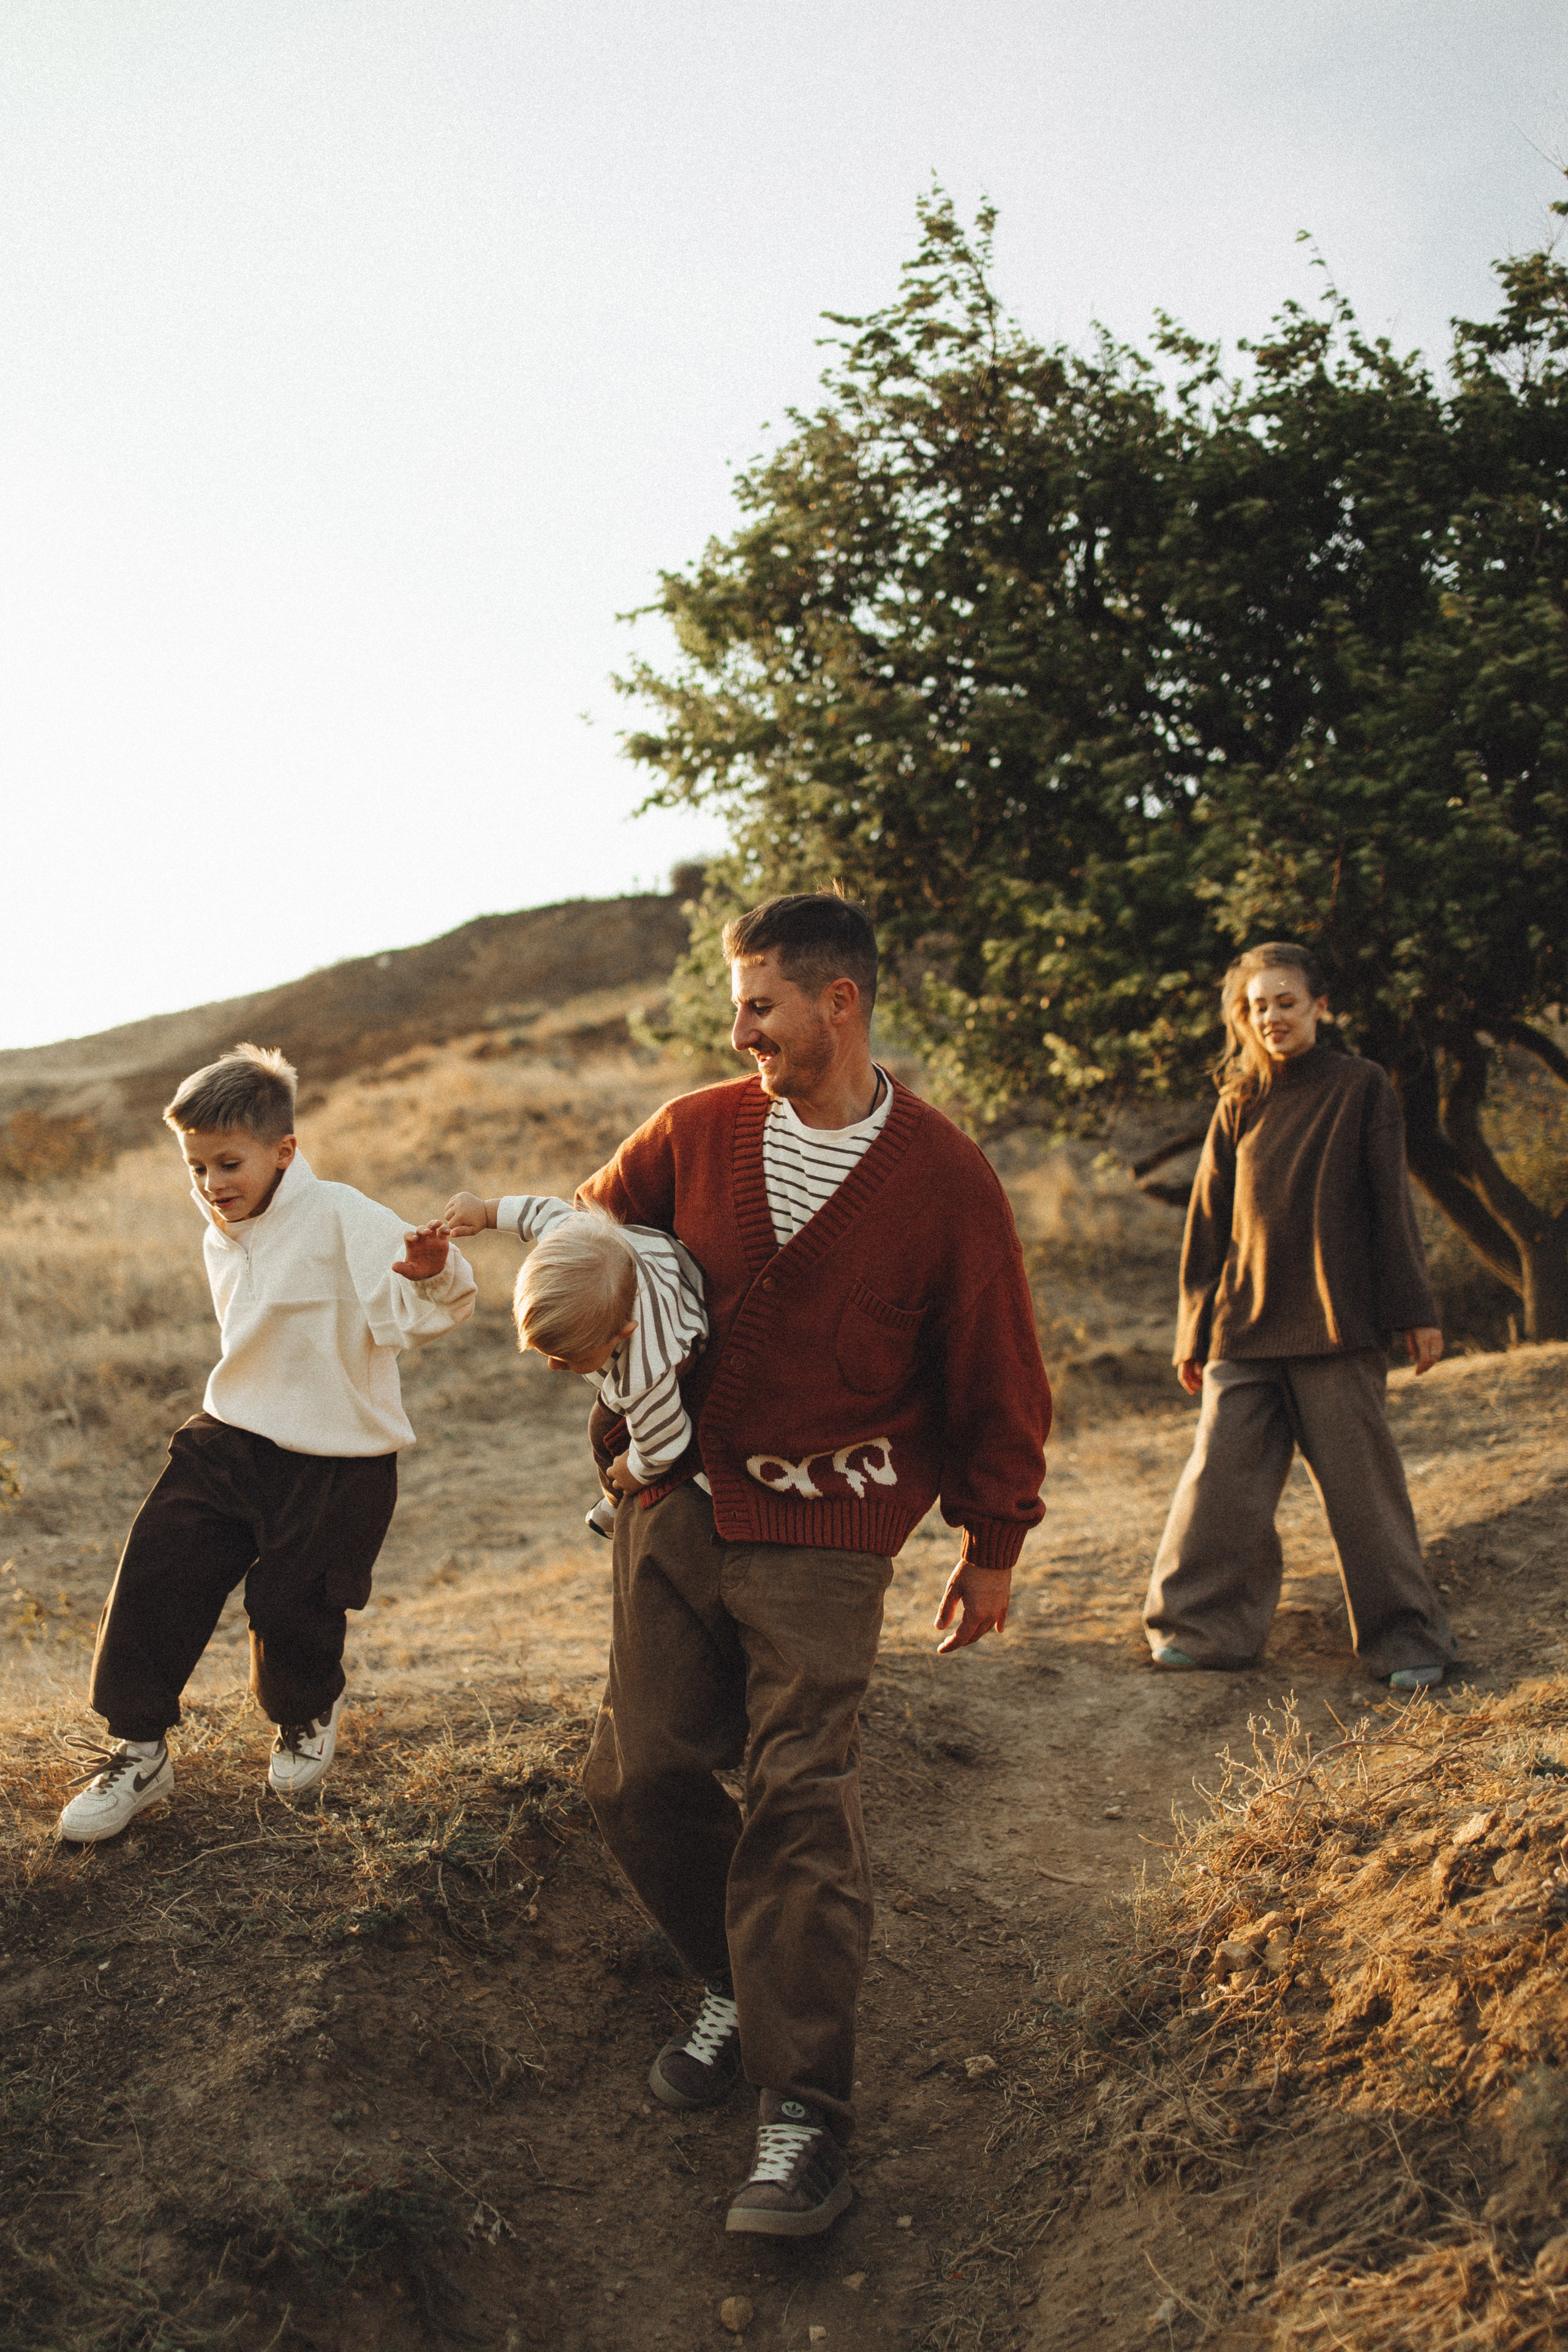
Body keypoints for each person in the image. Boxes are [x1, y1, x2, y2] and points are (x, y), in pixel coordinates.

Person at [574, 892, 1050, 2239]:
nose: (741, 1033)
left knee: (798, 1799)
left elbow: (996, 1366)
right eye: (738, 1009)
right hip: (676, 1507)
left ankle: (805, 2118)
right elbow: (588, 1242)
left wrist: (992, 1542)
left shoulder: (944, 1180)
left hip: (828, 1536)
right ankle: (736, 1979)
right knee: (636, 1778)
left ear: (838, 1002)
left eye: (760, 1007)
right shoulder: (693, 1132)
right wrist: (611, 1388)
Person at [59, 1045, 476, 1842]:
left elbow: (431, 1309)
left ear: (284, 1151)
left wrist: (430, 1271)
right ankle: (138, 1751)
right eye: (196, 1167)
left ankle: (303, 1712)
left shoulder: (343, 1214)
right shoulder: (222, 1231)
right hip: (230, 1436)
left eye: (228, 1163)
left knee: (291, 1608)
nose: (212, 1183)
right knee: (157, 1570)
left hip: (337, 1456)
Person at [1142, 943, 1454, 1689]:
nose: (1271, 1018)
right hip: (1243, 1328)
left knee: (1363, 1496)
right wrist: (1192, 1330)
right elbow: (1207, 1226)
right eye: (1258, 1007)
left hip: (1337, 1326)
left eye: (1285, 1002)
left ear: (1320, 1006)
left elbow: (1390, 1206)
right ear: (1242, 1017)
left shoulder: (1361, 1086)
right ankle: (1200, 1629)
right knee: (1218, 1487)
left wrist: (1414, 1311)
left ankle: (1405, 1641)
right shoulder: (1239, 1100)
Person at [439, 1189, 708, 1536]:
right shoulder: (570, 1231)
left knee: (603, 1429)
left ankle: (614, 1503)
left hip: (686, 1322)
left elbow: (667, 1438)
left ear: (622, 1334)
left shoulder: (646, 1371)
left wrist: (637, 1469)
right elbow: (537, 1211)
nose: (553, 1366)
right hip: (652, 1261)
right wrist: (485, 1212)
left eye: (569, 1358)